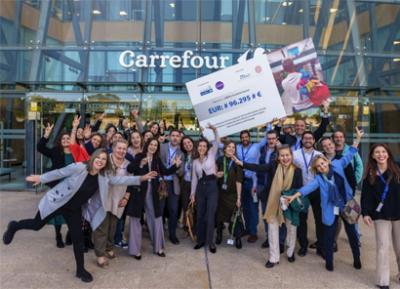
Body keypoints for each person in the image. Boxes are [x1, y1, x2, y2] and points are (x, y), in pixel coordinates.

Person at [2, 149, 157, 283]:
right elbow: (59, 173)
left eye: (104, 159)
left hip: (74, 210)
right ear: (93, 157)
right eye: (99, 158)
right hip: (59, 201)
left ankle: (80, 270)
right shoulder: (79, 167)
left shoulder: (103, 177)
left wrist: (141, 178)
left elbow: (120, 180)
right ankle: (14, 226)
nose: (101, 161)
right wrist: (41, 178)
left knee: (78, 239)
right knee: (36, 225)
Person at [286, 127, 364, 272]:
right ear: (317, 169)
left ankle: (357, 258)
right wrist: (295, 195)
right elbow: (307, 188)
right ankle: (329, 261)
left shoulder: (338, 164)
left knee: (352, 233)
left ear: (326, 162)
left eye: (323, 163)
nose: (322, 166)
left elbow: (351, 152)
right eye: (318, 166)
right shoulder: (319, 179)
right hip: (330, 207)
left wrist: (358, 138)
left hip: (347, 204)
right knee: (328, 236)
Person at [234, 145, 303, 267]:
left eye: (287, 155)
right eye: (282, 155)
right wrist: (242, 163)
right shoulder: (273, 166)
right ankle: (273, 257)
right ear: (278, 157)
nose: (285, 158)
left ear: (291, 156)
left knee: (291, 229)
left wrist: (289, 198)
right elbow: (259, 168)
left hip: (289, 204)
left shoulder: (297, 171)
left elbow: (298, 189)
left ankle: (290, 252)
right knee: (272, 229)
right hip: (273, 202)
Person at [126, 138, 182, 259]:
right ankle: (135, 250)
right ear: (147, 145)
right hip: (139, 191)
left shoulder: (157, 159)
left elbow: (166, 172)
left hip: (153, 192)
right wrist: (141, 164)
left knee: (156, 217)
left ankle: (158, 248)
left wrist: (175, 166)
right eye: (151, 144)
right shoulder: (139, 155)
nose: (153, 147)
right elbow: (130, 169)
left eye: (155, 145)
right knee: (135, 219)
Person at [361, 144, 400, 289]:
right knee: (383, 247)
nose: (381, 154)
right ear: (372, 156)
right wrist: (365, 213)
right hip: (380, 215)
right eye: (377, 152)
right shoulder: (370, 175)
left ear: (388, 154)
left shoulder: (397, 170)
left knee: (399, 248)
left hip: (398, 213)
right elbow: (365, 197)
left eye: (383, 152)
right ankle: (382, 281)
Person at [92, 140, 132, 267]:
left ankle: (109, 248)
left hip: (118, 200)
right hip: (102, 199)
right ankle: (100, 254)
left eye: (124, 149)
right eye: (119, 148)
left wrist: (126, 197)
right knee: (101, 228)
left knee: (112, 227)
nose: (121, 151)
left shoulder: (128, 164)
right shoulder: (105, 160)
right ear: (113, 148)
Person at [37, 123, 74, 248]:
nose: (65, 140)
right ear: (60, 141)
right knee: (58, 212)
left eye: (68, 138)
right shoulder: (55, 151)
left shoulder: (76, 152)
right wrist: (46, 135)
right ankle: (58, 235)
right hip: (58, 186)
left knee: (72, 211)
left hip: (73, 187)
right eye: (63, 139)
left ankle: (70, 233)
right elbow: (40, 148)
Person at [292, 131, 324, 257]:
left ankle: (320, 246)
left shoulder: (319, 154)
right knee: (301, 220)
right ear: (302, 140)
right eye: (305, 138)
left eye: (310, 138)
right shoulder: (295, 154)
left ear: (314, 140)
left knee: (319, 219)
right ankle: (303, 245)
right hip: (301, 191)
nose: (308, 140)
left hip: (316, 191)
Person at [191, 124, 220, 253]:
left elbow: (217, 141)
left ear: (207, 148)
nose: (202, 148)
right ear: (197, 148)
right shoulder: (195, 162)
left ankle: (211, 242)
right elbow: (194, 178)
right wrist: (192, 193)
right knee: (200, 215)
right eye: (200, 146)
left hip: (212, 187)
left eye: (204, 146)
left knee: (210, 215)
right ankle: (200, 240)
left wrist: (214, 130)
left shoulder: (212, 154)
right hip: (200, 189)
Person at [236, 130, 268, 243]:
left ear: (249, 137)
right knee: (244, 207)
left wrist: (269, 124)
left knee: (253, 207)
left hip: (252, 181)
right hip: (241, 181)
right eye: (243, 137)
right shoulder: (237, 147)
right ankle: (248, 229)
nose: (245, 139)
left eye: (246, 137)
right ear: (241, 138)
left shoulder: (256, 146)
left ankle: (253, 233)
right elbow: (221, 146)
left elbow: (266, 138)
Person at [256, 130, 285, 249]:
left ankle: (281, 241)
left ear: (277, 139)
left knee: (279, 214)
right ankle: (270, 238)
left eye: (273, 138)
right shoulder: (262, 150)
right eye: (269, 138)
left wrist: (280, 150)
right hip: (263, 185)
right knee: (266, 213)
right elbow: (258, 166)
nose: (271, 141)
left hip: (277, 186)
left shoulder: (282, 152)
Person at [215, 140, 243, 249]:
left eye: (233, 147)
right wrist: (217, 175)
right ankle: (219, 235)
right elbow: (214, 173)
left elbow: (239, 181)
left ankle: (238, 237)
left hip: (233, 194)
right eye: (229, 147)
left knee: (235, 216)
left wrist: (239, 198)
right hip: (220, 193)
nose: (231, 149)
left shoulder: (237, 162)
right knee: (219, 217)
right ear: (225, 148)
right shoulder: (219, 160)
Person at [160, 129, 184, 244]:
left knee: (173, 210)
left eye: (177, 136)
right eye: (173, 135)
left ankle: (172, 234)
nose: (175, 138)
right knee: (159, 209)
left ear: (180, 138)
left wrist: (177, 166)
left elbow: (181, 172)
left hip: (173, 185)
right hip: (161, 183)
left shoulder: (181, 153)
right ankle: (158, 234)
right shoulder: (162, 147)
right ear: (169, 137)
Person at [180, 136, 195, 231]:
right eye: (184, 144)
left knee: (195, 207)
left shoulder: (198, 154)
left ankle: (195, 228)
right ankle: (187, 227)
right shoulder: (183, 156)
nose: (187, 145)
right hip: (185, 184)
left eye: (189, 142)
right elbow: (181, 172)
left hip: (195, 185)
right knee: (185, 206)